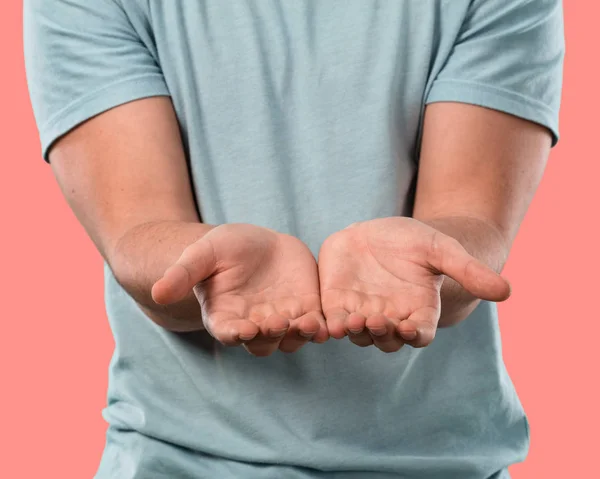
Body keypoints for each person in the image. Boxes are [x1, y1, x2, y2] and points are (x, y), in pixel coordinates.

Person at [24, 0, 564, 478]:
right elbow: (138, 232)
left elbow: (469, 224)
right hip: (175, 460)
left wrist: (432, 265)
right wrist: (200, 269)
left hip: (439, 462)